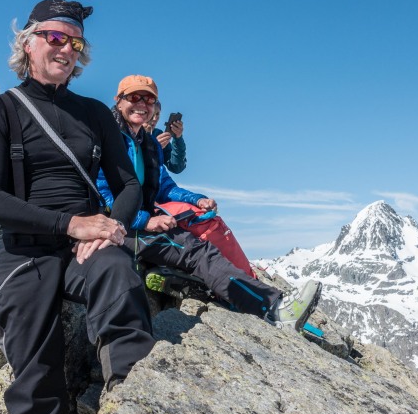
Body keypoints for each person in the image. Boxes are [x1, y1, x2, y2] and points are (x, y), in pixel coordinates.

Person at [0, 0, 155, 414]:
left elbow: (129, 186)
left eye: (75, 42)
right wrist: (73, 225)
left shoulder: (93, 113)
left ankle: (136, 407)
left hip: (84, 246)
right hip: (23, 249)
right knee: (36, 368)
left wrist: (112, 227)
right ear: (28, 44)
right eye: (54, 37)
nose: (66, 48)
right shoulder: (1, 110)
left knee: (114, 270)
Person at [98, 74, 322, 331]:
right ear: (119, 101)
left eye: (149, 99)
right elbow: (103, 195)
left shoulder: (148, 144)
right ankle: (273, 308)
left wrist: (197, 199)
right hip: (118, 228)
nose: (142, 104)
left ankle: (231, 291)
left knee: (200, 239)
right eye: (134, 97)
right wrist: (146, 220)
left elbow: (164, 186)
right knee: (196, 251)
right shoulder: (108, 138)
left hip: (139, 223)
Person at [143, 100, 187, 173]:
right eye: (151, 113)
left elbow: (176, 167)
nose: (154, 118)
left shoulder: (157, 134)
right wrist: (153, 148)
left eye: (157, 114)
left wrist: (178, 138)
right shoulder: (125, 133)